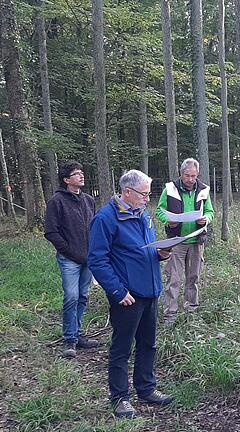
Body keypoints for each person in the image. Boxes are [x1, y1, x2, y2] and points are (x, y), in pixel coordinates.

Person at [88, 170, 174, 418]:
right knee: (122, 348)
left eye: (148, 194)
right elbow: (97, 259)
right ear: (127, 192)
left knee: (149, 344)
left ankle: (146, 388)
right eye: (144, 194)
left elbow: (143, 250)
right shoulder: (106, 218)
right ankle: (120, 398)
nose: (148, 199)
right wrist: (117, 290)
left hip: (150, 290)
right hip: (127, 294)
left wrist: (160, 254)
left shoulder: (142, 214)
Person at [44, 162, 99, 358]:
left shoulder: (88, 200)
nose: (81, 176)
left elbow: (95, 227)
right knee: (71, 297)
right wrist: (67, 250)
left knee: (83, 296)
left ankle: (77, 334)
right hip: (69, 259)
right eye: (76, 174)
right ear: (66, 180)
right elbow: (50, 231)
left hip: (89, 258)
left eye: (81, 172)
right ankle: (69, 340)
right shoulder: (56, 201)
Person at [154, 158, 213, 325]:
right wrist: (167, 220)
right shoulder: (170, 189)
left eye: (193, 176)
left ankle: (191, 312)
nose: (190, 179)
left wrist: (206, 219)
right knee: (173, 278)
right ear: (181, 174)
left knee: (193, 277)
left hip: (196, 241)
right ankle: (170, 315)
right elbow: (159, 210)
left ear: (198, 174)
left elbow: (210, 211)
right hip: (176, 241)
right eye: (187, 175)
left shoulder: (203, 190)